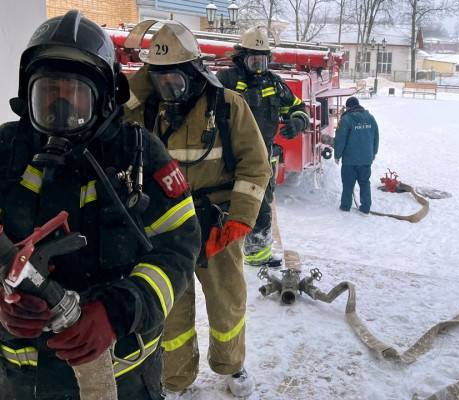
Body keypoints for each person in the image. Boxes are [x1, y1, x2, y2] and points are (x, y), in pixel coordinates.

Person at [0, 10, 201, 400]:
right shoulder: (7, 151)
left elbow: (178, 248)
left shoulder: (139, 155)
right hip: (22, 384)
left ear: (105, 97)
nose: (60, 107)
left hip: (121, 380)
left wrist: (120, 310)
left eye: (74, 92)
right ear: (28, 96)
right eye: (48, 93)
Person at [124, 20, 271, 397]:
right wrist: (147, 76)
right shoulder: (145, 109)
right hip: (165, 228)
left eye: (176, 80)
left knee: (227, 304)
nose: (169, 90)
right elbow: (116, 108)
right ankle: (175, 379)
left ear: (195, 72)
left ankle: (231, 367)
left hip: (217, 225)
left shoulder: (227, 106)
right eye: (161, 80)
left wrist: (240, 219)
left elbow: (256, 165)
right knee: (171, 308)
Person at [216, 26, 310, 267]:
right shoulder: (225, 81)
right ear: (241, 58)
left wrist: (298, 121)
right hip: (229, 155)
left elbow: (299, 107)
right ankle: (224, 254)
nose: (259, 66)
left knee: (261, 205)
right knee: (226, 204)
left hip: (264, 157)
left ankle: (258, 254)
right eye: (253, 60)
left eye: (263, 60)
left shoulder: (275, 84)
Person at [334, 96, 379, 215]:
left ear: (348, 107)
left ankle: (345, 206)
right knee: (365, 182)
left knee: (348, 184)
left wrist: (337, 155)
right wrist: (373, 153)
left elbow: (340, 139)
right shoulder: (370, 118)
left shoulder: (346, 119)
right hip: (366, 160)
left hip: (350, 161)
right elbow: (376, 137)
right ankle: (365, 208)